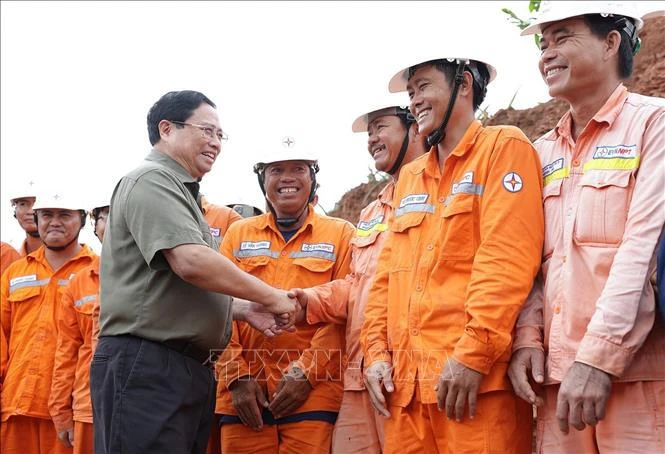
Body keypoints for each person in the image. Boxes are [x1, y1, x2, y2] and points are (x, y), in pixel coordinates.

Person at [91, 90, 299, 454]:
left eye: (221, 135)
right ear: (167, 129)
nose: (216, 142)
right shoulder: (151, 180)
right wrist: (271, 297)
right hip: (148, 366)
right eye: (207, 131)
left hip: (180, 368)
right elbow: (191, 262)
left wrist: (240, 309)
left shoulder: (180, 192)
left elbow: (164, 287)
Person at [360, 49, 544, 454]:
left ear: (463, 84)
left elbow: (507, 260)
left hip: (471, 385)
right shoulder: (410, 177)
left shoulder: (502, 147)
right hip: (405, 392)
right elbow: (385, 279)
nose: (414, 101)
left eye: (424, 86)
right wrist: (375, 354)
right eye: (410, 92)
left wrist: (473, 356)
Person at [509, 3, 665, 453]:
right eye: (543, 44)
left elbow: (643, 247)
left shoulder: (652, 124)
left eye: (562, 38)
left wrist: (597, 359)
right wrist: (526, 339)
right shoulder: (539, 152)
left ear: (611, 42)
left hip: (634, 375)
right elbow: (530, 261)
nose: (547, 54)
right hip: (558, 381)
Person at [288, 96, 426, 453]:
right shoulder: (371, 212)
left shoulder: (438, 193)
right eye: (369, 131)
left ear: (415, 125)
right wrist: (311, 300)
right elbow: (356, 284)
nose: (372, 139)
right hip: (359, 374)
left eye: (381, 127)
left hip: (407, 373)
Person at [214, 138, 354, 454]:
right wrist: (236, 377)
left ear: (313, 178)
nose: (287, 178)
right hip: (244, 399)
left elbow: (345, 311)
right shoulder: (238, 235)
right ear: (262, 180)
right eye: (276, 170)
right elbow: (217, 305)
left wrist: (307, 373)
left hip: (313, 395)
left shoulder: (341, 234)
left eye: (298, 169)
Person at [1, 190, 97, 454]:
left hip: (74, 413)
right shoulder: (14, 273)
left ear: (82, 220)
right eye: (47, 215)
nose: (54, 222)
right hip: (16, 405)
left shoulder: (98, 273)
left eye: (64, 215)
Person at [48, 200, 109, 454]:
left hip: (141, 404)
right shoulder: (80, 283)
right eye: (104, 217)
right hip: (88, 406)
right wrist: (61, 411)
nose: (113, 223)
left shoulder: (158, 274)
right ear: (95, 227)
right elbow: (67, 352)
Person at [9, 181, 41, 256]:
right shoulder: (10, 258)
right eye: (23, 204)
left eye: (38, 204)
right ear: (15, 211)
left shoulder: (70, 259)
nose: (31, 211)